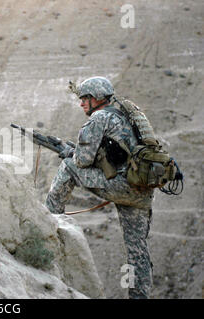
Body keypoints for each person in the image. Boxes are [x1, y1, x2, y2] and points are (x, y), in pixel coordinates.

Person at [45, 76, 154, 299]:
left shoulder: (99, 118)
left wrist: (69, 153)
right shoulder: (125, 116)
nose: (82, 104)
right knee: (137, 250)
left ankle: (48, 219)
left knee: (68, 166)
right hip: (141, 188)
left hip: (121, 185)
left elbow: (82, 161)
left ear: (96, 98)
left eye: (84, 99)